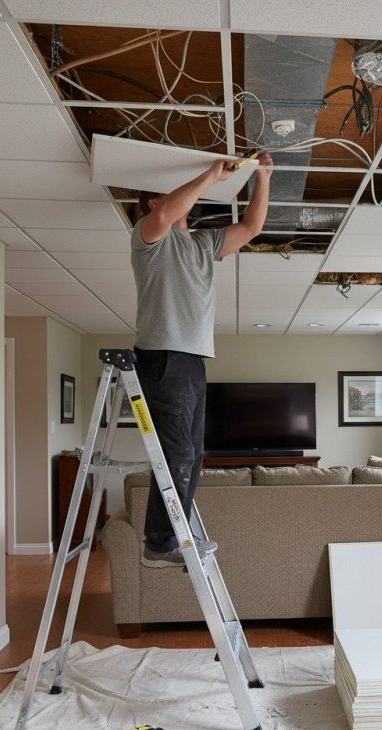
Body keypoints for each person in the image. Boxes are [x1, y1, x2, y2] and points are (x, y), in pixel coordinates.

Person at [131, 153, 273, 564]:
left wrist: (262, 177)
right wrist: (211, 175)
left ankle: (169, 537)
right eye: (168, 197)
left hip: (192, 362)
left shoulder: (202, 243)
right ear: (155, 204)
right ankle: (159, 543)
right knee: (177, 455)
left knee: (193, 456)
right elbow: (169, 212)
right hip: (163, 358)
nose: (180, 203)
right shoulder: (148, 238)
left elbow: (252, 227)